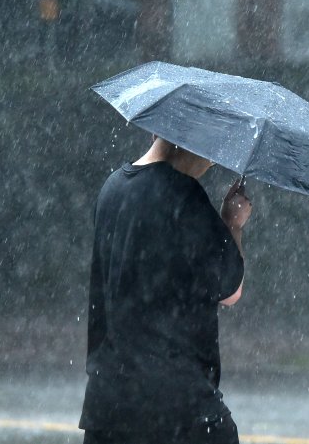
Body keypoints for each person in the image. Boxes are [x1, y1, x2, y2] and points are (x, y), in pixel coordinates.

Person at [79, 135, 252, 444]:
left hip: (108, 405)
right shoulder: (184, 195)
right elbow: (230, 289)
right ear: (189, 140)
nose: (210, 163)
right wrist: (233, 223)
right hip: (178, 406)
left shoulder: (113, 188)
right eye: (210, 155)